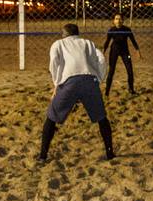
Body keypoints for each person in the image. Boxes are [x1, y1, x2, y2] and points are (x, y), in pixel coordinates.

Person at [39, 23, 115, 162]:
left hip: (69, 82)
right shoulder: (88, 43)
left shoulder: (58, 44)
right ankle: (110, 153)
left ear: (64, 34)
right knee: (101, 118)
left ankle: (42, 156)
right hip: (89, 80)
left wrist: (56, 83)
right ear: (77, 33)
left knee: (51, 117)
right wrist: (99, 78)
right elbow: (102, 59)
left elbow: (54, 63)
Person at [103, 13, 141, 96]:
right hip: (114, 52)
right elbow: (107, 42)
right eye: (116, 19)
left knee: (130, 71)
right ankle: (107, 92)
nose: (118, 20)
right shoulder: (111, 30)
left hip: (125, 52)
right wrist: (103, 52)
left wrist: (138, 51)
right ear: (114, 21)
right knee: (111, 72)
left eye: (120, 19)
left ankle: (131, 90)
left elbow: (133, 41)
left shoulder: (127, 29)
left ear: (123, 20)